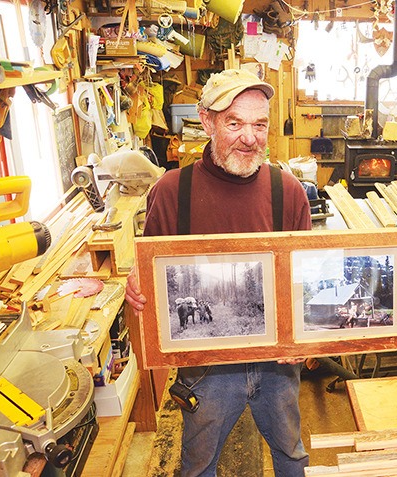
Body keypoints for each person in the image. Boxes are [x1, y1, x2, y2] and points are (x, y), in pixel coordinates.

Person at [124, 69, 311, 476]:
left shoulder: (289, 191)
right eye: (234, 122)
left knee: (292, 458)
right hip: (206, 372)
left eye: (259, 124)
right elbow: (152, 276)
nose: (250, 137)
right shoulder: (172, 191)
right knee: (198, 466)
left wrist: (309, 334)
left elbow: (303, 283)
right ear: (206, 120)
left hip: (276, 367)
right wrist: (139, 287)